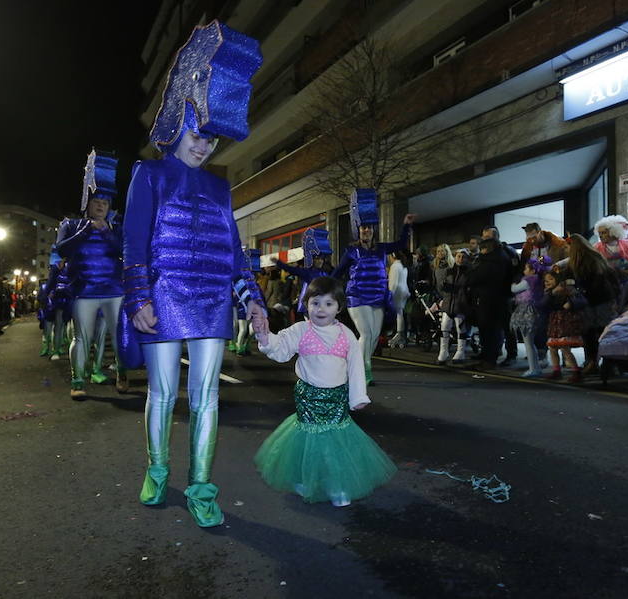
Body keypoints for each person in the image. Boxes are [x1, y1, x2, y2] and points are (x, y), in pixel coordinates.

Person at [119, 20, 264, 528]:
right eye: (198, 136)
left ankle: (202, 485)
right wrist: (139, 299)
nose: (204, 147)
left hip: (210, 300)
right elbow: (133, 244)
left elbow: (234, 252)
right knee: (162, 393)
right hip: (162, 295)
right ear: (179, 126)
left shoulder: (221, 188)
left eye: (211, 141)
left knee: (208, 397)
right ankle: (157, 469)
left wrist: (254, 301)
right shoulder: (149, 174)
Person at [252, 276, 396, 506]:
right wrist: (264, 336)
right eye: (315, 302)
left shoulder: (346, 334)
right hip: (308, 398)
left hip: (336, 399)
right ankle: (308, 480)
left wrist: (358, 395)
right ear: (306, 304)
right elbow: (279, 350)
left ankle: (336, 484)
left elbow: (356, 367)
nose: (321, 309)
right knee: (311, 444)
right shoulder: (300, 330)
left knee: (334, 445)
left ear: (339, 307)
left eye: (328, 304)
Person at [56, 149, 128, 397]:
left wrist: (107, 232)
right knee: (82, 337)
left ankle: (122, 373)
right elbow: (62, 249)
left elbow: (126, 250)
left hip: (114, 291)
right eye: (97, 202)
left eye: (105, 203)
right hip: (84, 291)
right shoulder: (72, 224)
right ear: (88, 204)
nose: (101, 206)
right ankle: (78, 382)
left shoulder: (116, 227)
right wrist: (86, 231)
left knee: (120, 337)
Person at [332, 189, 413, 385]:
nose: (366, 231)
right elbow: (338, 272)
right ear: (358, 231)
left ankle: (358, 364)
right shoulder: (351, 251)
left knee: (375, 336)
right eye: (362, 228)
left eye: (369, 228)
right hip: (357, 297)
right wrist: (324, 286)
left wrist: (406, 225)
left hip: (378, 298)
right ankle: (364, 370)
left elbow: (402, 242)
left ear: (373, 230)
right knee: (366, 334)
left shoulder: (382, 249)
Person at [566, 234, 621, 375]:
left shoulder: (579, 263)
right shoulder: (597, 257)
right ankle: (609, 365)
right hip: (606, 300)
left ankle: (592, 362)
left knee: (589, 333)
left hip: (592, 302)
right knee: (606, 333)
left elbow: (581, 284)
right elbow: (613, 279)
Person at [466, 238, 513, 369]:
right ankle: (488, 357)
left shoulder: (491, 261)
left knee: (489, 331)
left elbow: (476, 277)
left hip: (490, 300)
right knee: (491, 331)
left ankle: (489, 359)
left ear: (487, 249)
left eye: (482, 249)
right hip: (495, 299)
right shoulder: (501, 258)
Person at [481, 226, 519, 365]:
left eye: (488, 237)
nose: (485, 240)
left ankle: (512, 355)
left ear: (496, 236)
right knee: (493, 326)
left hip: (504, 295)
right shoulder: (487, 252)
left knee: (507, 325)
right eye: (484, 237)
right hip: (491, 295)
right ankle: (493, 352)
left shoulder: (507, 251)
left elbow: (516, 271)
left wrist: (513, 291)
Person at [510, 257, 551, 377]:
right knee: (531, 342)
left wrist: (512, 282)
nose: (524, 271)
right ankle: (535, 366)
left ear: (533, 270)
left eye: (526, 268)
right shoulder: (539, 280)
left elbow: (514, 289)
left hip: (527, 311)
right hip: (536, 311)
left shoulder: (529, 280)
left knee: (528, 342)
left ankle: (533, 369)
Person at [540, 269, 584, 382]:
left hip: (564, 322)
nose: (547, 282)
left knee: (565, 348)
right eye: (545, 280)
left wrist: (571, 303)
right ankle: (556, 370)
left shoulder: (568, 290)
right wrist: (552, 293)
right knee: (552, 348)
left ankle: (576, 371)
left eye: (550, 279)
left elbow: (581, 300)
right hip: (554, 322)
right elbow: (543, 305)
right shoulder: (548, 292)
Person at [593, 215, 628, 280]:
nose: (600, 236)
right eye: (599, 233)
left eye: (604, 233)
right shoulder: (596, 247)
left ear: (613, 232)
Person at [439, 248, 470, 364]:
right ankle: (443, 352)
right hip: (448, 303)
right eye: (458, 256)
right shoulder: (449, 271)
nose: (460, 259)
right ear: (455, 256)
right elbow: (443, 286)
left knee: (460, 329)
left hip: (461, 305)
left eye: (463, 257)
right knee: (444, 328)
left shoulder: (469, 272)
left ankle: (460, 352)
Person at [431, 243, 454, 363]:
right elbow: (435, 283)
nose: (440, 253)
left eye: (442, 251)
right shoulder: (435, 266)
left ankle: (446, 351)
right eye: (438, 251)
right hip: (440, 297)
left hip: (449, 297)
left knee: (447, 324)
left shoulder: (451, 266)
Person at [387, 250, 411, 348]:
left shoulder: (395, 266)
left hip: (397, 292)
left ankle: (399, 334)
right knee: (400, 314)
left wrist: (390, 293)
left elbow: (393, 283)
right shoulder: (403, 266)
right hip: (404, 291)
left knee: (398, 314)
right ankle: (400, 335)